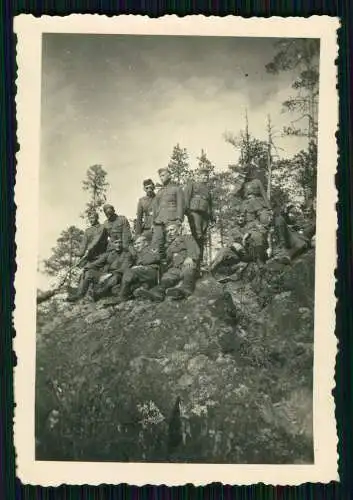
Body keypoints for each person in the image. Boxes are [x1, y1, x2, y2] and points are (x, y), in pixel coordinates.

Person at [137, 223, 200, 302]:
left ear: (178, 230)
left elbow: (193, 248)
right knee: (167, 278)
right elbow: (167, 260)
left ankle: (184, 291)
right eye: (167, 231)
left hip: (187, 264)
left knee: (188, 270)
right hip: (175, 269)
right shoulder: (170, 246)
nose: (170, 232)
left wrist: (190, 257)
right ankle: (158, 293)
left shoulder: (187, 238)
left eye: (172, 230)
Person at [104, 234, 161, 305]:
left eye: (139, 243)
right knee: (116, 289)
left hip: (151, 271)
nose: (136, 246)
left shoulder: (151, 248)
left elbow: (155, 258)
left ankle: (122, 297)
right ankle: (141, 291)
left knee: (129, 272)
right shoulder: (137, 254)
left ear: (145, 243)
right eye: (135, 244)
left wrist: (140, 265)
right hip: (143, 276)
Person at [66, 211, 108, 302]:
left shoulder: (102, 228)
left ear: (97, 218)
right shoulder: (87, 231)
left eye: (92, 218)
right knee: (84, 274)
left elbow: (96, 240)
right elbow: (83, 247)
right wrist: (77, 253)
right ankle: (79, 295)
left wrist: (88, 249)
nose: (91, 220)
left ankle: (89, 295)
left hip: (102, 256)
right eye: (89, 219)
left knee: (88, 270)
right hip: (91, 258)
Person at [151, 168, 185, 257]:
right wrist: (153, 222)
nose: (161, 178)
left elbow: (181, 205)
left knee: (172, 244)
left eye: (163, 175)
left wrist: (179, 220)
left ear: (169, 175)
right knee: (156, 244)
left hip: (172, 220)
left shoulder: (176, 189)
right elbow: (155, 208)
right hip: (159, 222)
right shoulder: (159, 192)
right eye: (160, 176)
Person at [183, 167, 213, 263]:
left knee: (202, 238)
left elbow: (210, 204)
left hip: (205, 215)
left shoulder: (208, 190)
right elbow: (186, 197)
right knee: (197, 235)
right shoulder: (192, 184)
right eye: (204, 175)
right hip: (194, 213)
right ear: (199, 176)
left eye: (207, 176)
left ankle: (199, 262)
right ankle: (195, 260)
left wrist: (212, 217)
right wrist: (187, 211)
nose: (206, 177)